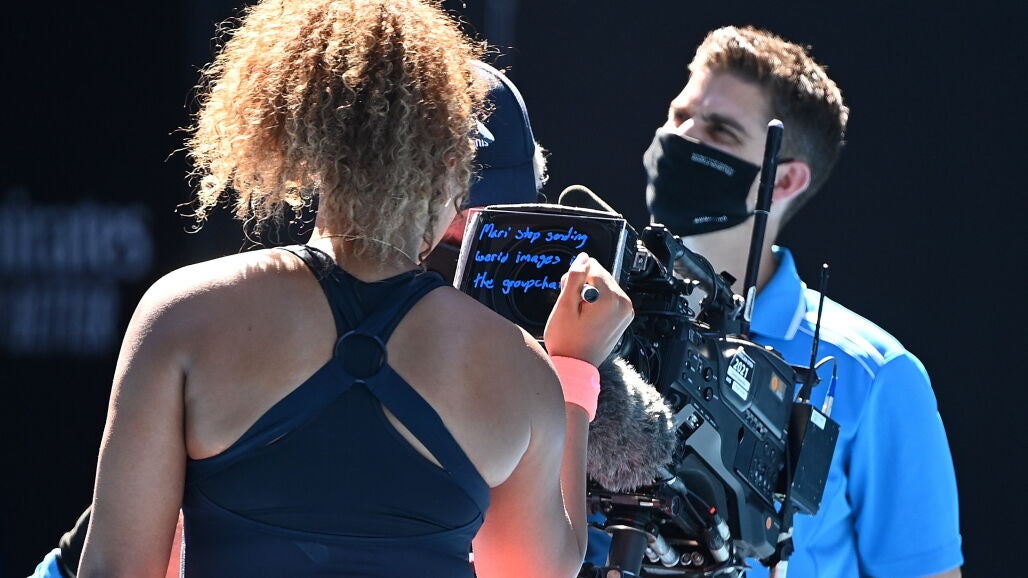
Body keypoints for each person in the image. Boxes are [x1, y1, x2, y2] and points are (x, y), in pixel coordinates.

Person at [75, 1, 634, 577]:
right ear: (452, 166)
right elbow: (537, 571)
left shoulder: (182, 313)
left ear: (311, 145)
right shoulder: (519, 368)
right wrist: (572, 373)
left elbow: (114, 570)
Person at [607, 25, 962, 577]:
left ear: (785, 179)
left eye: (719, 130)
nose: (681, 138)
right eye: (679, 116)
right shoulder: (595, 318)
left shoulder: (875, 375)